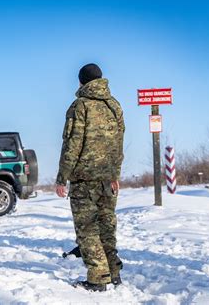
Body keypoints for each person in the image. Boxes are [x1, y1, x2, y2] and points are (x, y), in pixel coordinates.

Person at [56, 64, 125, 292]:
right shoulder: (114, 105)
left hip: (85, 179)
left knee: (87, 230)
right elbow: (118, 145)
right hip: (108, 178)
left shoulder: (80, 106)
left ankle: (97, 278)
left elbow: (72, 144)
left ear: (81, 82)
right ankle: (113, 272)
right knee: (106, 227)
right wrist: (115, 174)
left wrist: (61, 177)